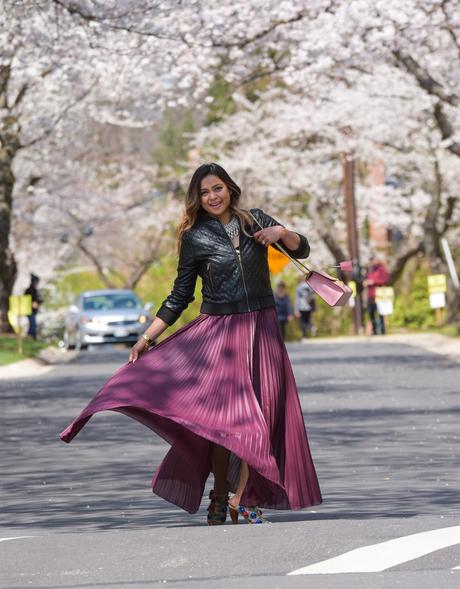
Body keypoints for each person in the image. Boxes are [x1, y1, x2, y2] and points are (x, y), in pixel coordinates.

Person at [60, 163, 322, 526]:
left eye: (218, 188)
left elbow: (302, 249)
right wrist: (148, 337)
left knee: (263, 415)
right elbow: (181, 294)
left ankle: (240, 497)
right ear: (196, 198)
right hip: (221, 337)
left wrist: (281, 231)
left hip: (262, 329)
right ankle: (221, 494)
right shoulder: (195, 237)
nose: (213, 197)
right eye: (204, 192)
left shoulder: (255, 220)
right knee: (230, 422)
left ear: (229, 188)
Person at [364, 254, 389, 335]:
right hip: (370, 294)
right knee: (371, 313)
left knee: (381, 312)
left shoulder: (381, 269)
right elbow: (366, 278)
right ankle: (374, 330)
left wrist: (374, 282)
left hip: (379, 294)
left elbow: (385, 280)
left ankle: (382, 330)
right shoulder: (369, 270)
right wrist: (366, 282)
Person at [24, 273, 43, 339]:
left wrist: (39, 302)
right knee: (33, 325)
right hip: (29, 310)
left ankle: (32, 338)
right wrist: (33, 303)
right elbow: (27, 300)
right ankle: (28, 337)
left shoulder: (35, 290)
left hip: (33, 310)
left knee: (33, 325)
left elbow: (38, 300)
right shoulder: (29, 290)